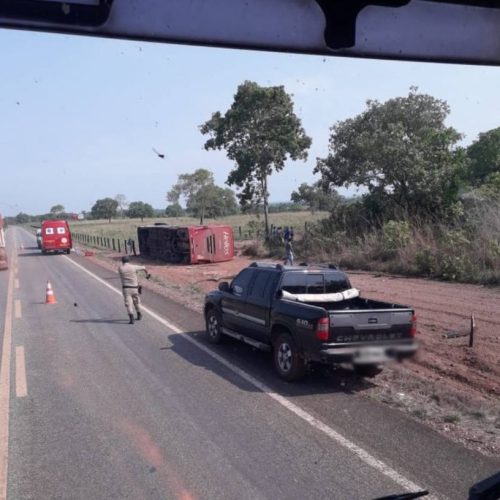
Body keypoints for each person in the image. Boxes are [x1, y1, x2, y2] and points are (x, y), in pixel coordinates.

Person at [118, 256, 151, 324]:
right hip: (135, 288)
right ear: (129, 261)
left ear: (122, 261)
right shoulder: (133, 267)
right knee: (136, 302)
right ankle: (139, 314)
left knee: (128, 304)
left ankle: (131, 318)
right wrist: (147, 275)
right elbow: (144, 267)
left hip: (126, 288)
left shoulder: (120, 268)